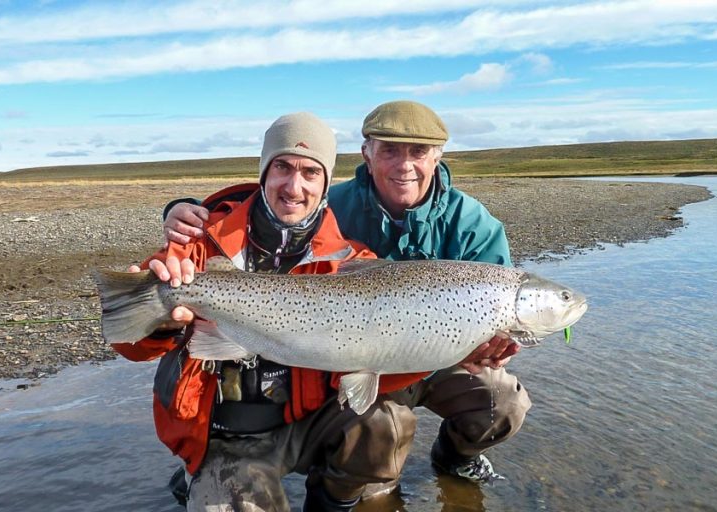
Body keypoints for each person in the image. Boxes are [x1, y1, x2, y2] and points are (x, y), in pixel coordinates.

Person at [164, 101, 532, 492]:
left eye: (418, 152)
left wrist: (489, 347)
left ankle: (455, 458)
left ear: (437, 156)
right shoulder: (329, 205)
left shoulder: (473, 225)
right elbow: (271, 207)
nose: (404, 165)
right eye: (389, 150)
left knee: (503, 404)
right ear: (367, 154)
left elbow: (500, 317)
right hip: (361, 353)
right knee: (377, 470)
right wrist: (184, 210)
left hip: (442, 356)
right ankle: (227, 469)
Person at [114, 112, 432, 512]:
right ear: (264, 172)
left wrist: (460, 342)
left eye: (310, 172)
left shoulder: (353, 263)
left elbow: (389, 361)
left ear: (326, 183)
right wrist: (160, 320)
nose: (294, 186)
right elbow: (127, 340)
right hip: (227, 438)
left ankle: (333, 503)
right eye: (282, 167)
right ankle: (201, 477)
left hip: (309, 421)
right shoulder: (200, 242)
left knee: (387, 423)